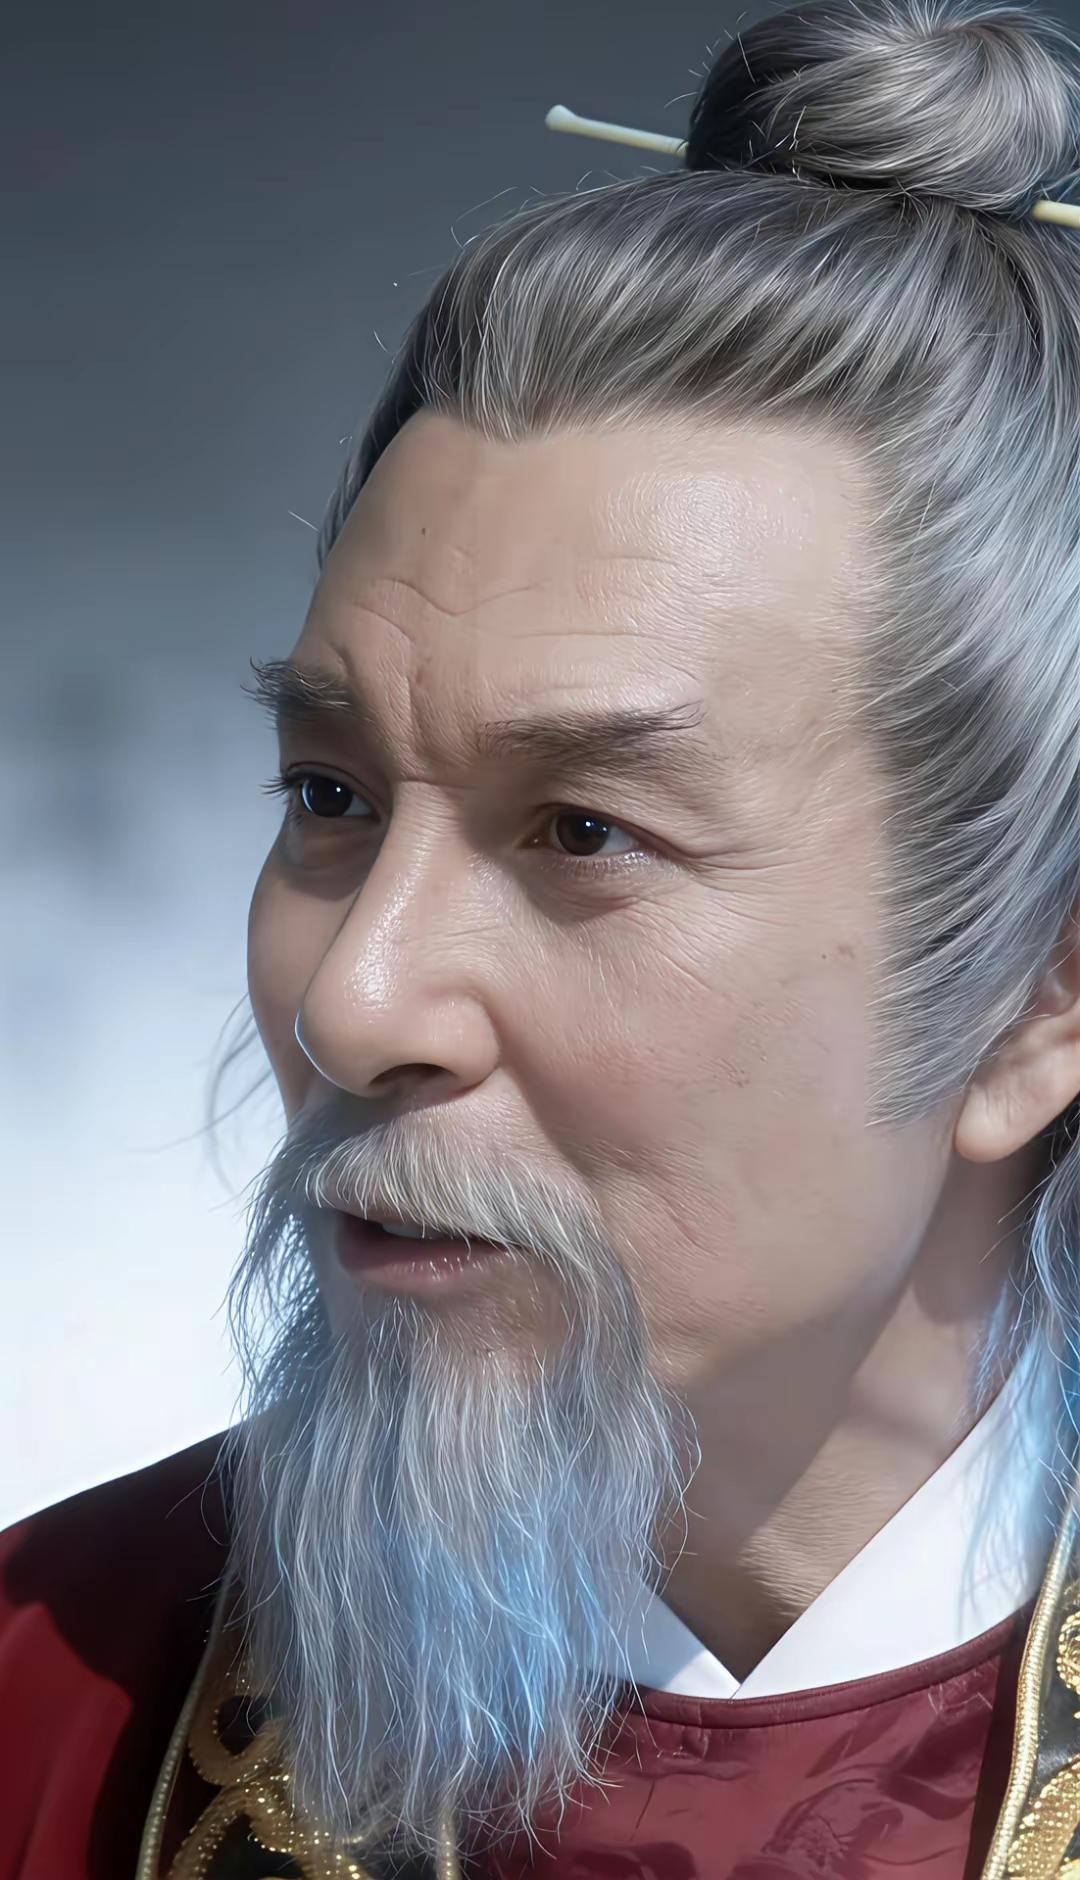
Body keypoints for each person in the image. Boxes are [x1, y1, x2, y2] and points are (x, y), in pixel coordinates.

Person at [5, 0, 1080, 1873]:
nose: (355, 1006)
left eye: (584, 832)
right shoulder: (50, 1705)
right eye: (330, 795)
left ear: (1035, 999)